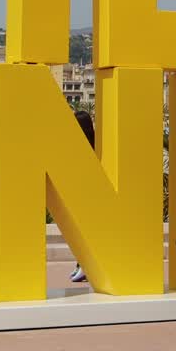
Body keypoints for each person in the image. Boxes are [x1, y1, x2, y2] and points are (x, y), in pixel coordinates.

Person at [69, 109, 95, 283]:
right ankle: (81, 265)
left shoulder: (92, 146)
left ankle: (85, 266)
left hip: (89, 196)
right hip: (82, 194)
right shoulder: (83, 145)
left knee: (85, 232)